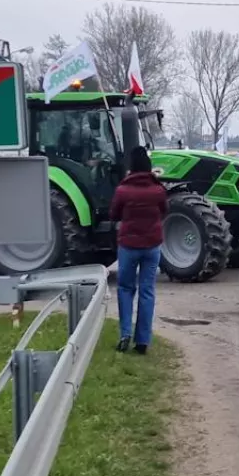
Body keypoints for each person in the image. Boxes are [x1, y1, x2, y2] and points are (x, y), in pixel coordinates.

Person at [110, 146, 167, 354]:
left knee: (125, 288)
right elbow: (164, 211)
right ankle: (142, 340)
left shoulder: (122, 190)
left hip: (128, 246)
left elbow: (114, 214)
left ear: (131, 167)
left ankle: (125, 334)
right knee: (147, 291)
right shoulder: (158, 190)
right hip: (152, 246)